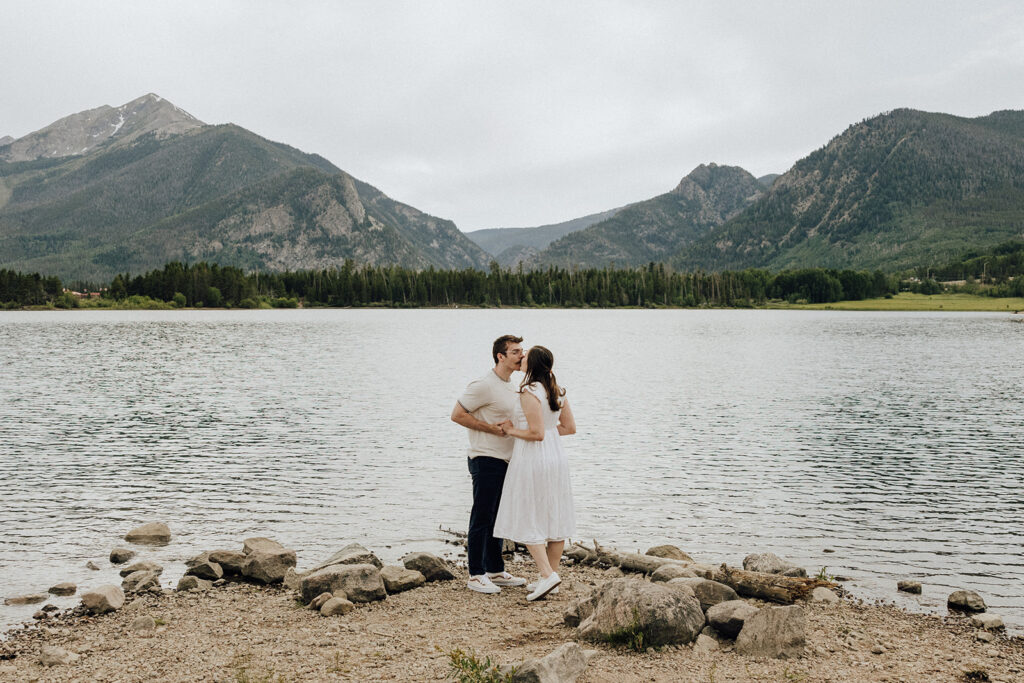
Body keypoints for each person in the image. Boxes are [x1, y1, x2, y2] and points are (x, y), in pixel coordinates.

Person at [493, 345, 577, 601]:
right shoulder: (557, 390)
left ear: (534, 365)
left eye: (525, 356)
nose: (521, 358)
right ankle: (550, 576)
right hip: (555, 457)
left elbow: (536, 434)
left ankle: (547, 574)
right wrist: (548, 431)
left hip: (532, 458)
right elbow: (568, 428)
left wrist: (510, 430)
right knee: (554, 514)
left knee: (526, 513)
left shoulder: (529, 392)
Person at [450, 335, 529, 594]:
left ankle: (495, 570)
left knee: (498, 516)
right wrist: (489, 429)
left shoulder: (511, 385)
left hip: (507, 459)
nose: (521, 355)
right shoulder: (483, 385)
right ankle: (475, 574)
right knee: (482, 516)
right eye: (516, 352)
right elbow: (457, 414)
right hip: (485, 457)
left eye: (522, 351)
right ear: (501, 356)